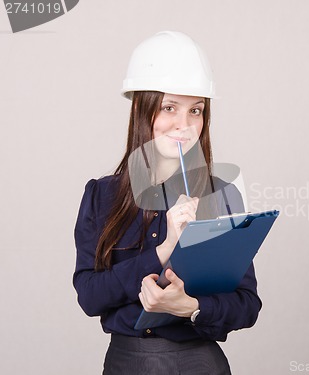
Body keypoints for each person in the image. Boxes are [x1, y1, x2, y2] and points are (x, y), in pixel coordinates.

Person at [73, 31, 262, 375]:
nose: (185, 125)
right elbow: (89, 296)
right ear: (142, 109)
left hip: (200, 362)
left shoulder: (220, 195)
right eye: (169, 107)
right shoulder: (102, 196)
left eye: (196, 110)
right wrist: (164, 250)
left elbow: (247, 305)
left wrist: (189, 307)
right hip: (127, 362)